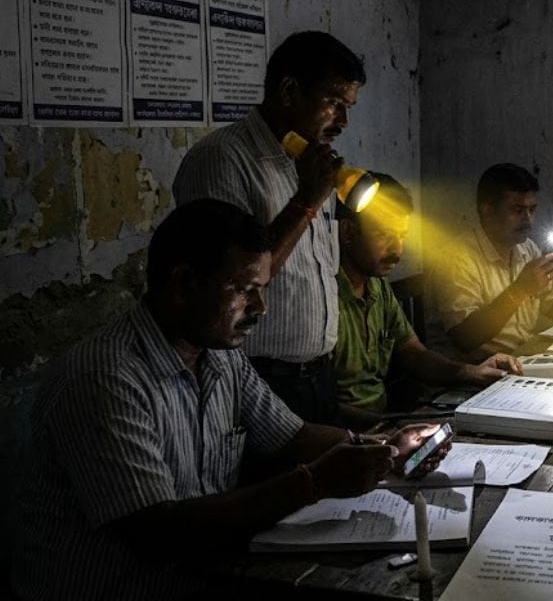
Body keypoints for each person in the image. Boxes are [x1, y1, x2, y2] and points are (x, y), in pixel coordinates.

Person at [9, 200, 448, 601]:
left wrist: (381, 445)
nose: (261, 308)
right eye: (243, 290)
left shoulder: (220, 359)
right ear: (182, 284)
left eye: (262, 289)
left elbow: (292, 436)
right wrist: (314, 482)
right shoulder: (106, 379)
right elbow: (157, 534)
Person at [173, 31, 365, 425]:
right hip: (254, 379)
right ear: (290, 90)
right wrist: (307, 200)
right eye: (333, 103)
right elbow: (231, 279)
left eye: (348, 106)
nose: (343, 121)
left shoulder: (315, 163)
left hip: (318, 376)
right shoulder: (222, 158)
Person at [334, 172, 523, 429]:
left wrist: (471, 372)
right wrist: (389, 427)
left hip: (385, 425)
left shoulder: (377, 287)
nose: (397, 250)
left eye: (402, 236)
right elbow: (317, 405)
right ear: (347, 232)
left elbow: (414, 353)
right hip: (346, 435)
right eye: (384, 235)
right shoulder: (323, 297)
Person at [441, 163, 553, 357]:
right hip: (474, 372)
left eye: (532, 210)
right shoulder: (457, 258)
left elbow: (552, 299)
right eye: (517, 210)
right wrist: (520, 289)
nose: (528, 220)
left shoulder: (526, 248)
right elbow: (465, 337)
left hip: (522, 358)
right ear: (487, 211)